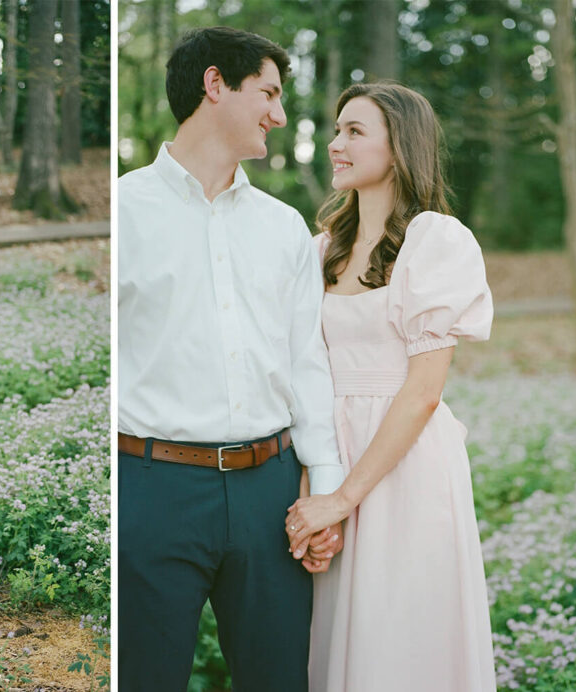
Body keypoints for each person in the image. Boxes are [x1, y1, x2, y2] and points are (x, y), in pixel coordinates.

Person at [118, 27, 345, 691]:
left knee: (279, 679)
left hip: (270, 494)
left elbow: (306, 363)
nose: (279, 114)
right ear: (215, 85)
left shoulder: (283, 228)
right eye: (269, 93)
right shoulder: (126, 211)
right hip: (152, 489)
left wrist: (323, 495)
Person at [284, 82, 497, 691]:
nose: (334, 145)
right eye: (336, 130)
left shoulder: (435, 241)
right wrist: (315, 492)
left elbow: (424, 391)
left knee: (400, 636)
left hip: (405, 464)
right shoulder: (319, 249)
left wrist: (344, 498)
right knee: (339, 637)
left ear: (400, 148)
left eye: (354, 132)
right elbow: (305, 374)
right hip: (330, 455)